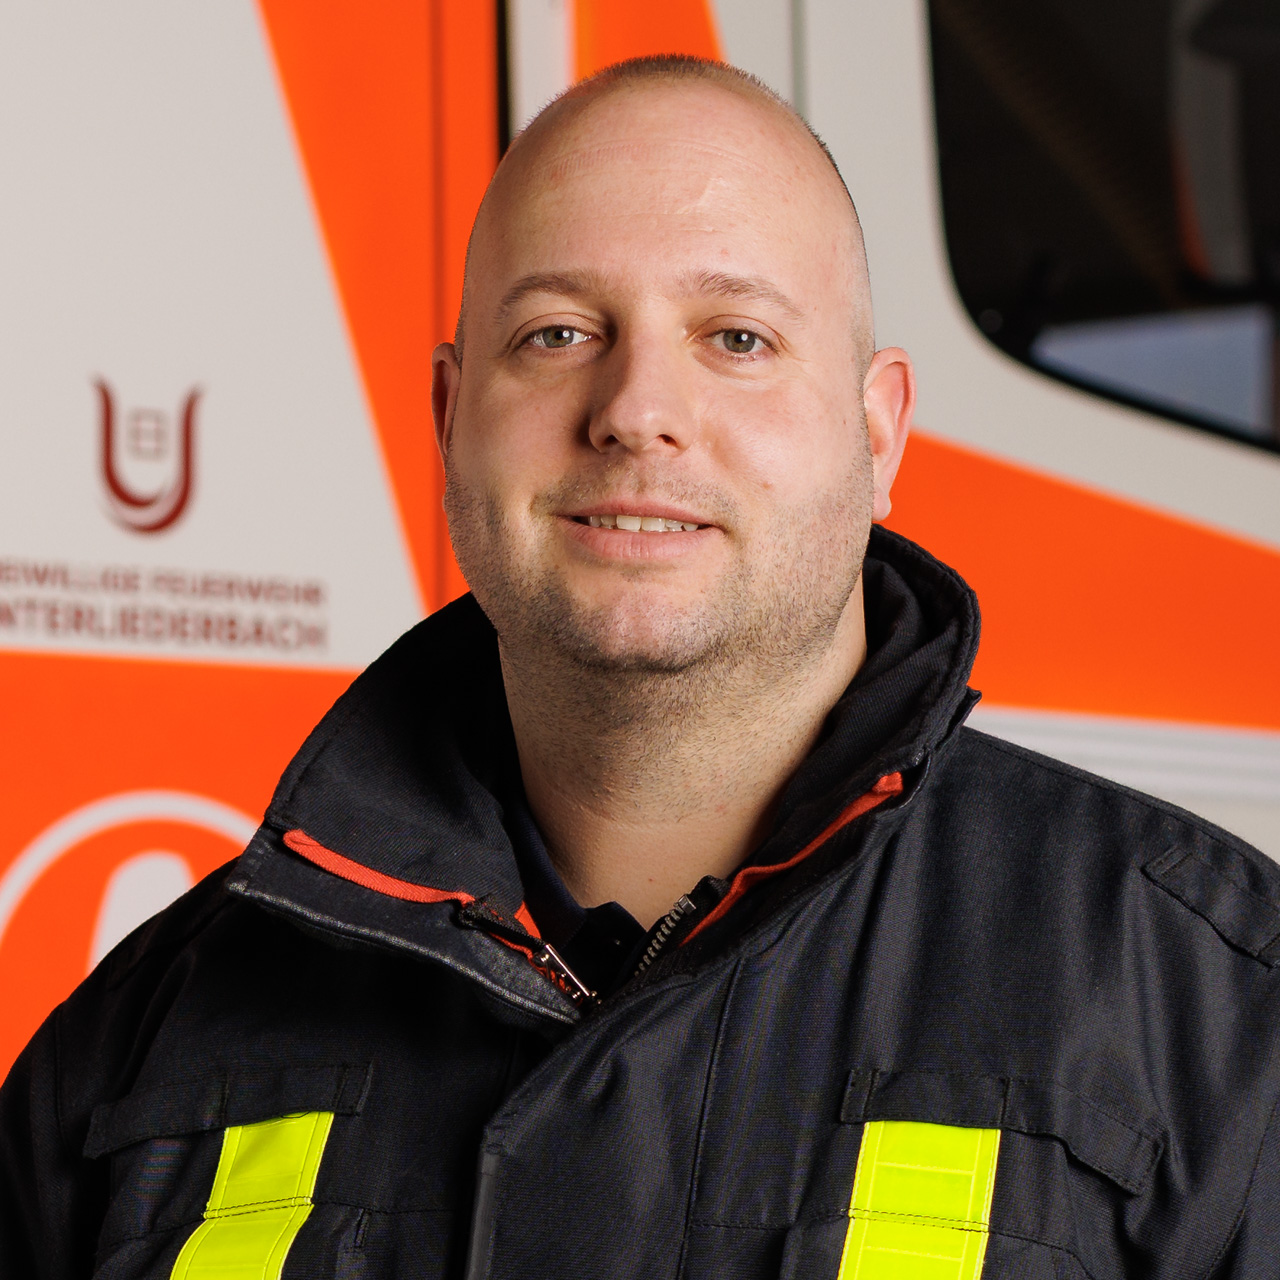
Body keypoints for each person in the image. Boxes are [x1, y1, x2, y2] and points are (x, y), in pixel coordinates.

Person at [3, 54, 1279, 1280]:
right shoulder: (133, 1045)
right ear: (449, 417)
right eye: (557, 332)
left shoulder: (1213, 1007)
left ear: (878, 429)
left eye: (736, 337)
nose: (634, 409)